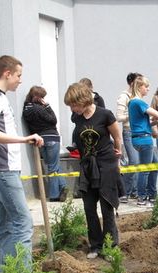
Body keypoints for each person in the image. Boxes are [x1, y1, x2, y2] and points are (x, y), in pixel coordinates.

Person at [0, 55, 44, 273]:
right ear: (7, 74)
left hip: (6, 169)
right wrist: (23, 139)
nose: (20, 81)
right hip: (3, 170)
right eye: (18, 75)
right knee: (23, 222)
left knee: (6, 223)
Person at [64, 83, 122, 259]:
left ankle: (110, 247)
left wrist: (117, 158)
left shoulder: (105, 114)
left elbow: (117, 137)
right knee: (89, 207)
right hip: (88, 166)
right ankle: (95, 246)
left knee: (106, 207)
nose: (72, 109)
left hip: (106, 164)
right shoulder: (78, 117)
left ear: (82, 100)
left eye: (74, 105)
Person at [22, 85, 68, 202]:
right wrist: (47, 106)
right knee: (53, 166)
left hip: (40, 139)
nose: (43, 98)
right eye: (42, 96)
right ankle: (54, 195)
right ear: (37, 97)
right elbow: (53, 120)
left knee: (51, 164)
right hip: (52, 138)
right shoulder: (40, 108)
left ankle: (63, 186)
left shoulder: (26, 109)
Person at [128, 76, 158, 206]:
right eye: (146, 86)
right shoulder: (139, 102)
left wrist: (156, 121)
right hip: (144, 140)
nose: (148, 89)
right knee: (145, 170)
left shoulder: (132, 103)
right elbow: (157, 113)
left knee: (154, 166)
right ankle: (142, 197)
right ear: (139, 87)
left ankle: (152, 195)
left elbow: (145, 122)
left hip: (139, 137)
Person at [116, 72, 142, 202]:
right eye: (139, 82)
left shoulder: (138, 97)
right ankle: (124, 191)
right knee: (134, 161)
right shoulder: (124, 97)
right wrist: (133, 115)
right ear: (132, 83)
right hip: (129, 132)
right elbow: (119, 117)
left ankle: (134, 191)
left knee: (140, 163)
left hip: (140, 132)